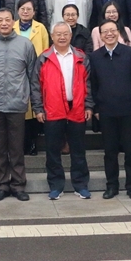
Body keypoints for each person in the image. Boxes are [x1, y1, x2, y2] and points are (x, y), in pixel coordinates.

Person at [30, 21, 93, 200]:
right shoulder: (44, 58)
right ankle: (56, 186)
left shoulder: (81, 56)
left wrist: (89, 105)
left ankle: (80, 185)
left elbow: (88, 83)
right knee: (52, 151)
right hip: (52, 109)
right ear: (52, 36)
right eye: (58, 34)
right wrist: (38, 108)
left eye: (65, 34)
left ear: (71, 36)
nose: (62, 37)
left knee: (78, 150)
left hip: (77, 108)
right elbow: (35, 85)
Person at [0, 8, 37, 202]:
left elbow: (33, 75)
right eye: (0, 20)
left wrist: (33, 101)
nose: (4, 23)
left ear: (13, 22)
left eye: (7, 20)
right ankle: (2, 185)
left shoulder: (25, 44)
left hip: (17, 103)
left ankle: (18, 184)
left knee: (16, 148)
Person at [89, 20, 131, 200]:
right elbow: (93, 85)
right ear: (100, 35)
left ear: (119, 32)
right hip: (106, 111)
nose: (109, 34)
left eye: (113, 30)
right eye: (105, 31)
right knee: (110, 152)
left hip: (129, 110)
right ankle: (112, 186)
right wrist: (96, 108)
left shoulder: (130, 53)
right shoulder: (95, 57)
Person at [16, 0, 50, 156]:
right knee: (21, 109)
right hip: (17, 72)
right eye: (22, 9)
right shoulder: (12, 27)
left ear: (34, 12)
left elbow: (45, 49)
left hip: (36, 70)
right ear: (17, 11)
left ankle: (32, 143)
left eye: (29, 9)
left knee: (34, 106)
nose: (25, 12)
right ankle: (21, 143)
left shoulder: (40, 28)